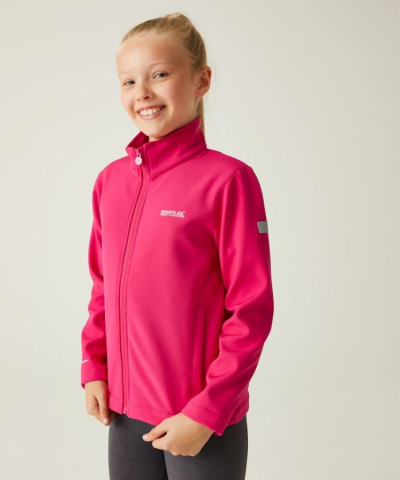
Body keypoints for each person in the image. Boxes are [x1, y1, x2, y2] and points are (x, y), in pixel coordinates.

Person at [80, 12, 274, 480]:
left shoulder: (229, 180)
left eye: (160, 74)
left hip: (200, 418)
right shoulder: (110, 182)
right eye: (129, 81)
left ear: (202, 80)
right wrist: (94, 367)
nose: (142, 92)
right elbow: (103, 288)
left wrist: (207, 411)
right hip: (125, 413)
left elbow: (251, 309)